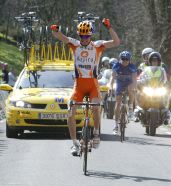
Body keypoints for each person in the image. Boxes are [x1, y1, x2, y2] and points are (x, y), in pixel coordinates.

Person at [51, 18, 120, 156]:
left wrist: (109, 27)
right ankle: (75, 143)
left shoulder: (98, 45)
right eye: (82, 35)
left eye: (87, 35)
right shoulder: (74, 44)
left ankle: (95, 133)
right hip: (79, 85)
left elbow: (116, 42)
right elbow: (60, 37)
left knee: (95, 106)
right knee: (71, 111)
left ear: (91, 35)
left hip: (92, 84)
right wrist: (55, 30)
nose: (84, 38)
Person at [109, 51, 137, 135]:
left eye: (127, 59)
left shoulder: (132, 67)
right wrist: (110, 87)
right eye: (123, 59)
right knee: (118, 103)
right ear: (119, 59)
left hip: (129, 83)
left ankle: (131, 108)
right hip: (120, 83)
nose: (125, 61)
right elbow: (112, 78)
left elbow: (135, 80)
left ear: (129, 60)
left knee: (131, 89)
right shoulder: (116, 66)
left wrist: (133, 87)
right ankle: (116, 125)